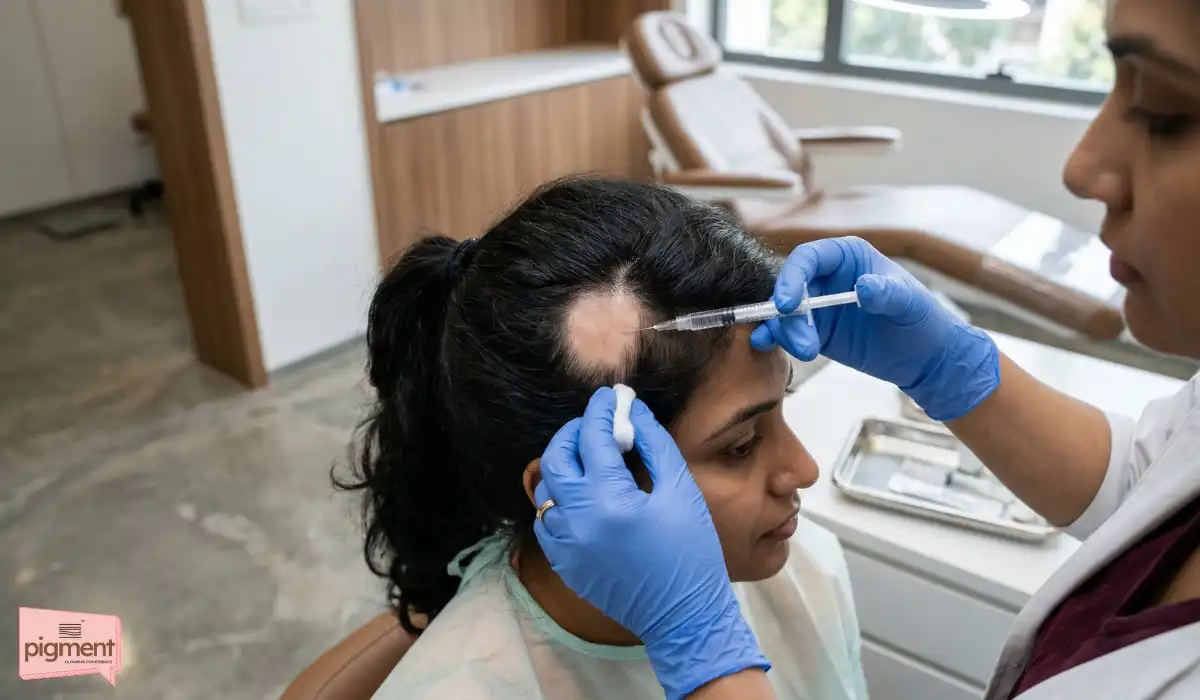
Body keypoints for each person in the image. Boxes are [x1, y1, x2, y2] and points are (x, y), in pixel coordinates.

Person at [532, 1, 1200, 699]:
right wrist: (952, 370)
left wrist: (701, 649)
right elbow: (1155, 486)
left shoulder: (810, 567)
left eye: (1161, 106)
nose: (1082, 166)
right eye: (737, 445)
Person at [334, 177, 869, 699]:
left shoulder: (808, 568)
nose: (804, 470)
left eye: (784, 406)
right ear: (570, 484)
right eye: (741, 444)